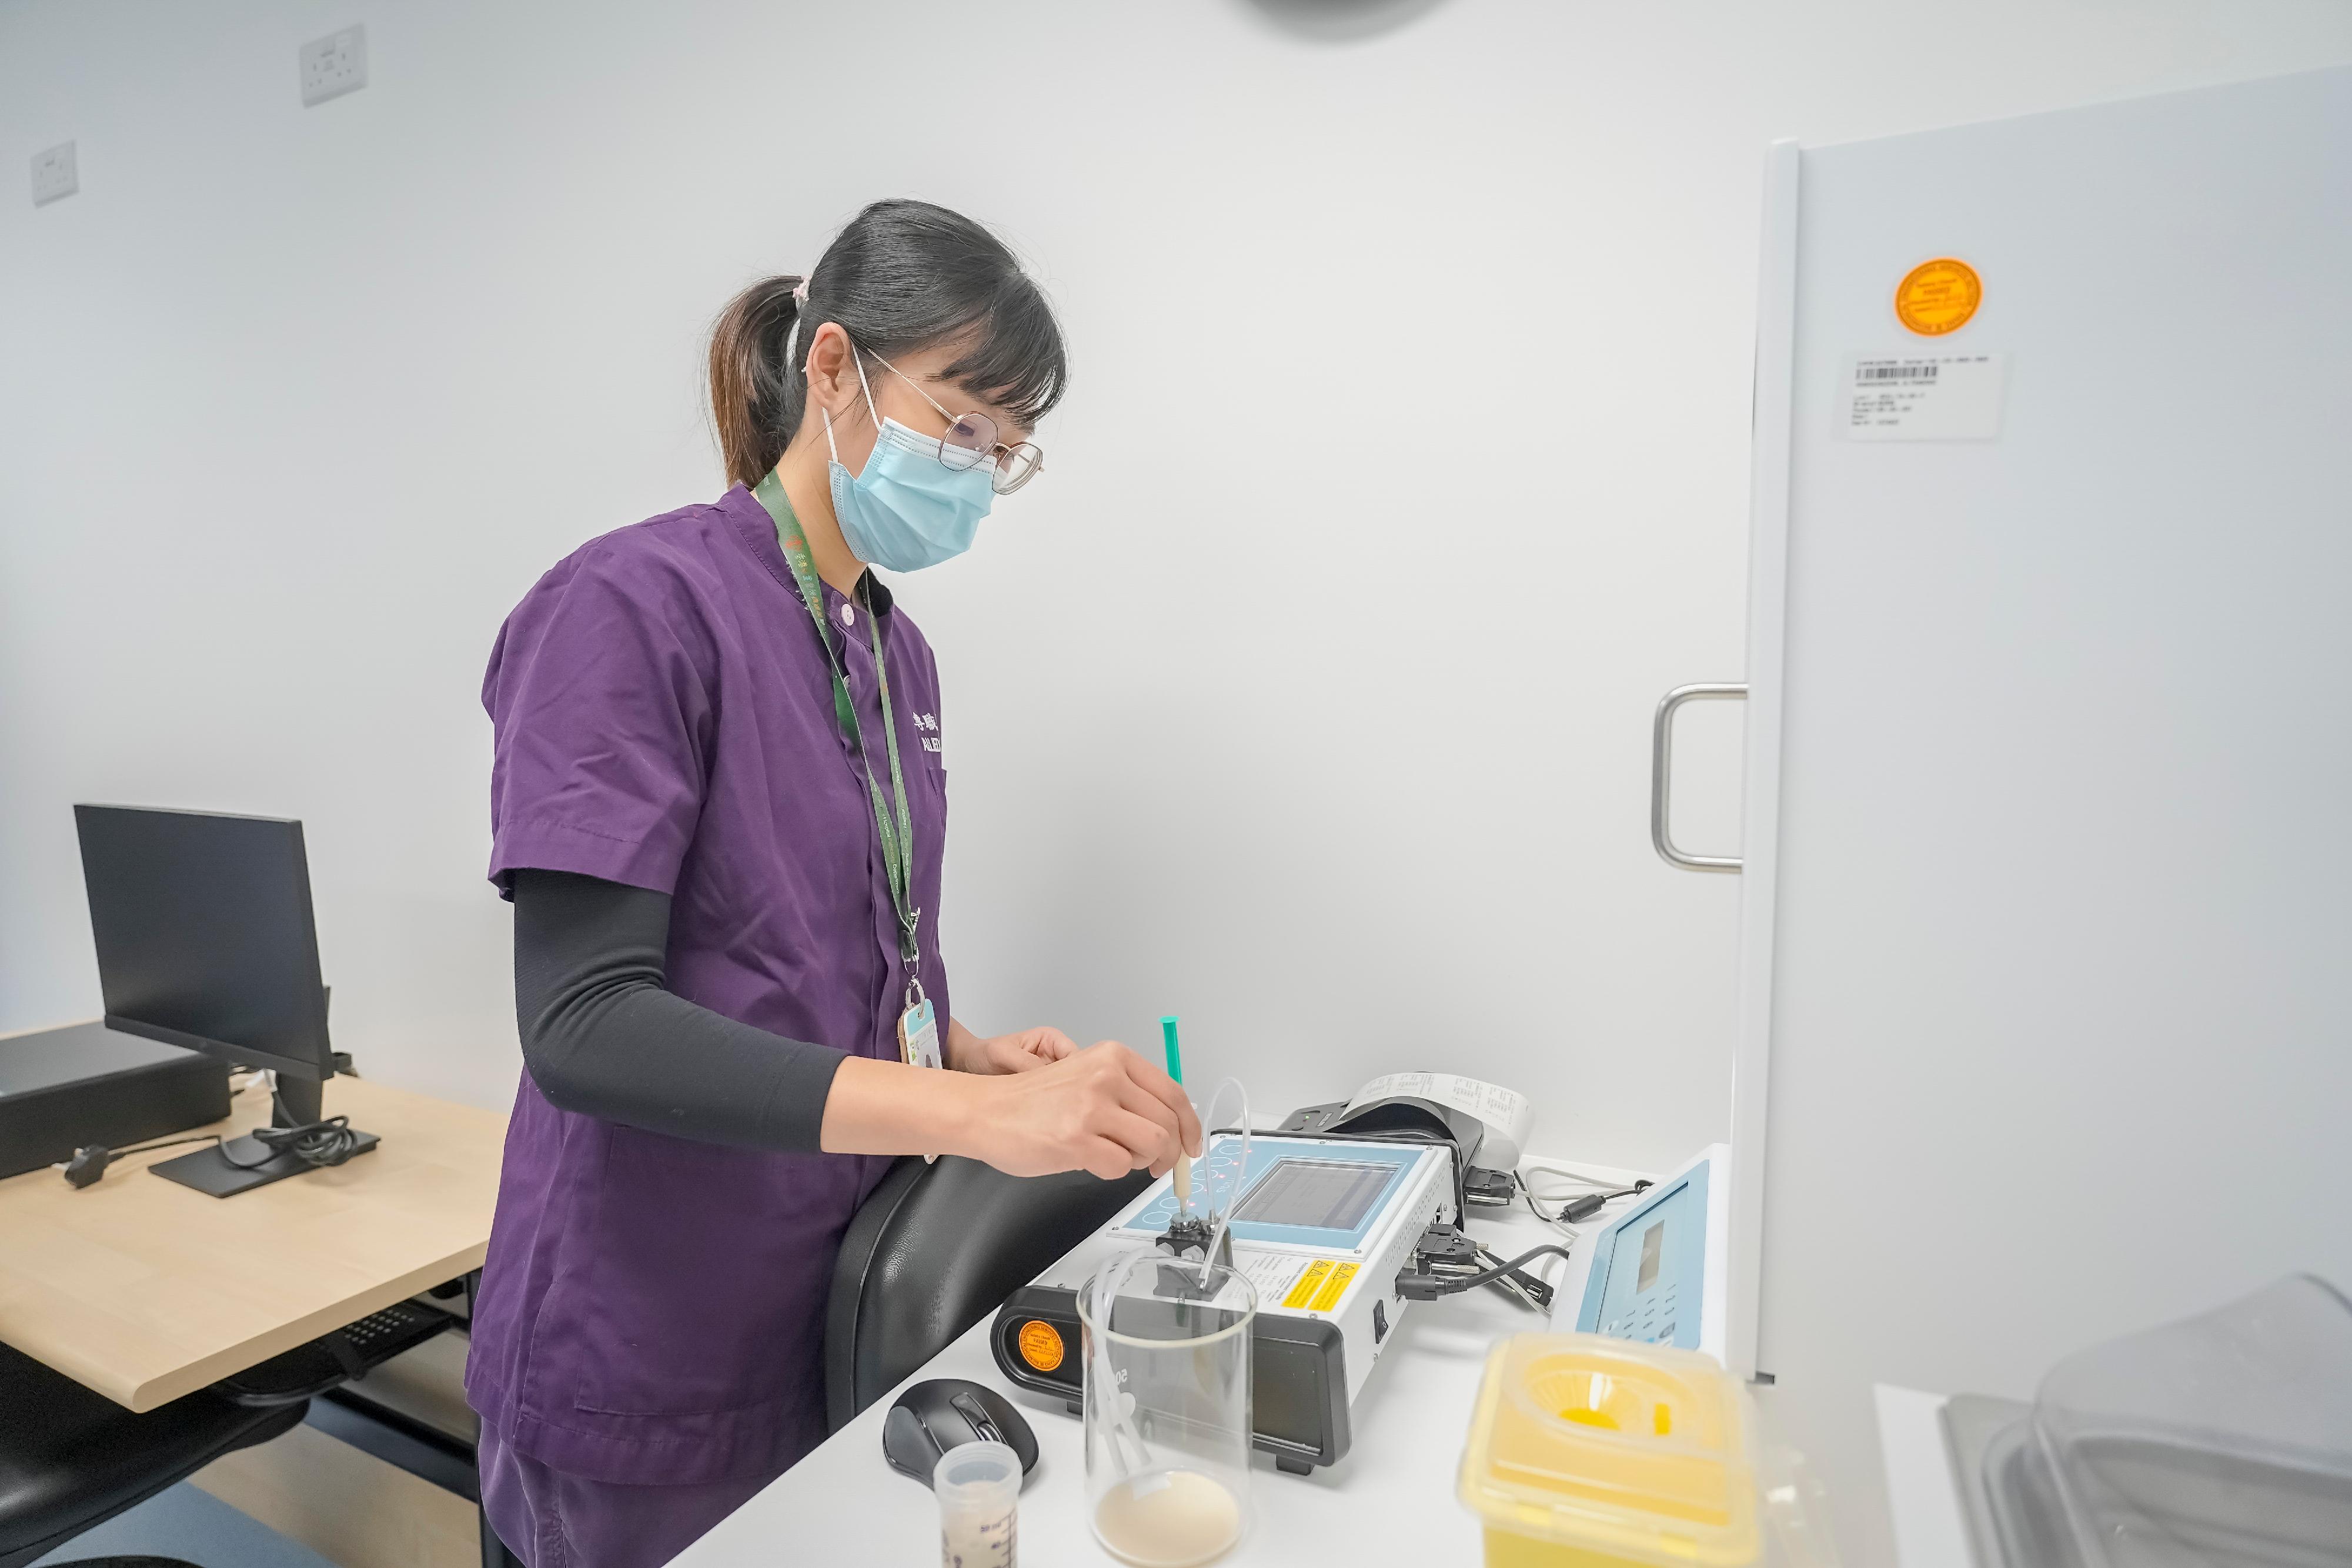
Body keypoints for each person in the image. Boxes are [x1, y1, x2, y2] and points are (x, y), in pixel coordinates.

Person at [465, 198, 1201, 1568]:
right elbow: (583, 1022)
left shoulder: (890, 650)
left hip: (823, 1309)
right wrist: (980, 1118)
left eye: (1008, 447)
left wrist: (971, 1056)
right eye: (963, 421)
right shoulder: (628, 607)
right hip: (646, 1343)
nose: (980, 470)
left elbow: (797, 948)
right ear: (831, 369)